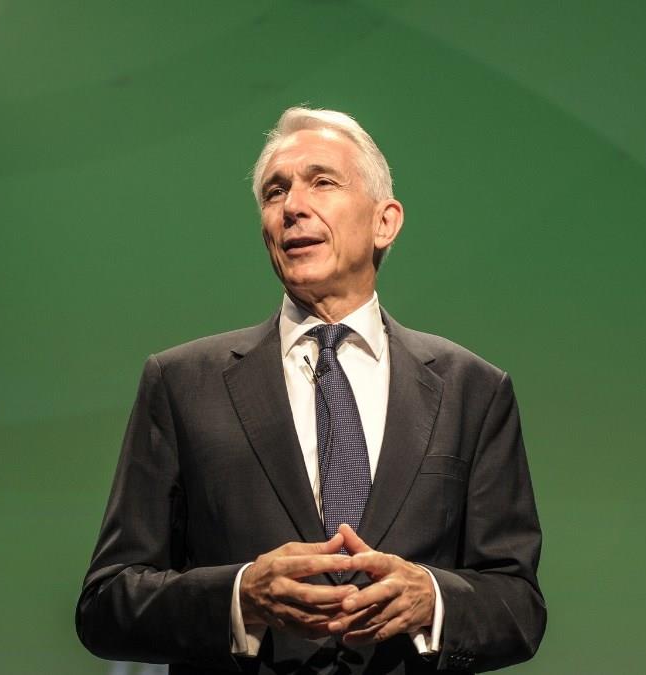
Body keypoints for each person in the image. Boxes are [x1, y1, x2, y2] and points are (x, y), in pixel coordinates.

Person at [76, 107, 545, 674]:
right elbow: (107, 602)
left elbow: (519, 605)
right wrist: (241, 596)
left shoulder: (473, 390)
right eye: (275, 192)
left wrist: (433, 599)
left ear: (385, 222)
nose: (292, 206)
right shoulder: (181, 384)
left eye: (322, 182)